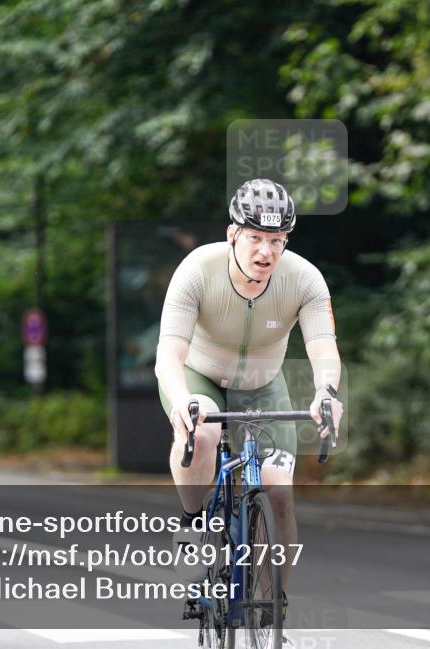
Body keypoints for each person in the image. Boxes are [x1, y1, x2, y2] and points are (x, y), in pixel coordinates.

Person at [154, 178, 344, 626]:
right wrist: (182, 401)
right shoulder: (197, 269)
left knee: (280, 496)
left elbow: (323, 347)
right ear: (232, 234)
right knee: (202, 431)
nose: (265, 252)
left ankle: (270, 609)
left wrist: (327, 393)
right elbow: (169, 355)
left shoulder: (305, 279)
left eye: (276, 241)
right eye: (255, 238)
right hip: (199, 374)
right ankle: (193, 520)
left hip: (262, 383)